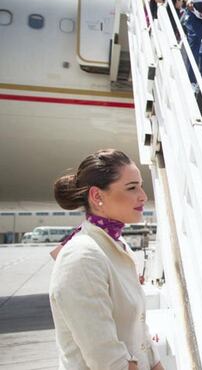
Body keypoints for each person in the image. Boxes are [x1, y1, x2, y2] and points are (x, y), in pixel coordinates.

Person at [49, 149, 163, 370]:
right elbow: (108, 360)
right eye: (132, 187)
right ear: (97, 196)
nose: (143, 196)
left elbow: (140, 330)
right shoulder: (82, 256)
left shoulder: (119, 247)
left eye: (140, 185)